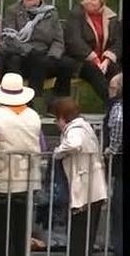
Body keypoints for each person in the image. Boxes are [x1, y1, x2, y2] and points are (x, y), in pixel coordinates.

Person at [0, 72, 44, 256]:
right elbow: (42, 145)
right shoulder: (34, 116)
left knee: (2, 230)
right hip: (28, 180)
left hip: (3, 181)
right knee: (22, 229)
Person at [2, 0, 75, 111]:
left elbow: (58, 39)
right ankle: (31, 105)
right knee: (35, 60)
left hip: (47, 55)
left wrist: (52, 55)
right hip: (23, 55)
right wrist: (30, 50)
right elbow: (9, 38)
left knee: (67, 64)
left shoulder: (51, 13)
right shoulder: (13, 11)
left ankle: (58, 105)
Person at [51, 97, 108, 256]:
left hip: (84, 190)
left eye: (56, 118)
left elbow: (74, 144)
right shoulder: (85, 126)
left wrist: (58, 152)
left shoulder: (75, 130)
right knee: (87, 236)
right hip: (94, 189)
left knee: (79, 236)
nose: (56, 123)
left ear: (62, 117)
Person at [64, 0, 122, 103]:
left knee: (117, 74)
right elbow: (74, 41)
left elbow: (117, 42)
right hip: (82, 61)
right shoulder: (76, 14)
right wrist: (94, 58)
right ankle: (113, 106)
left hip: (105, 61)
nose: (88, 2)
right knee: (95, 73)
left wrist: (107, 60)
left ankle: (116, 108)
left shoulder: (111, 17)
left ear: (101, 1)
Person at [104, 73, 122, 256]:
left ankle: (119, 247)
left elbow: (117, 126)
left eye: (111, 88)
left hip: (120, 166)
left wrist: (111, 150)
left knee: (119, 208)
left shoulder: (117, 107)